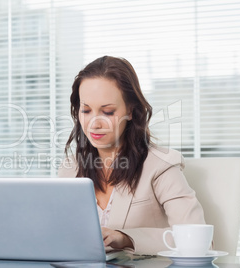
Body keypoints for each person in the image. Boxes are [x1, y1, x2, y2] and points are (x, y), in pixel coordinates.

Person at [58, 56, 205, 255]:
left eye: (108, 112)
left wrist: (127, 238)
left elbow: (197, 242)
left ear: (131, 111)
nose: (94, 123)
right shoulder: (71, 168)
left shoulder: (160, 166)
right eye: (86, 110)